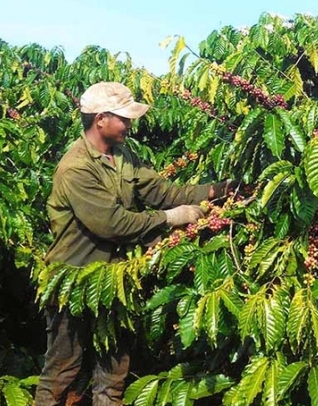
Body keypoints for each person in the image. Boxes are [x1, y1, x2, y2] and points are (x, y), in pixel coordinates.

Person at [35, 82, 238, 406]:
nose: (130, 125)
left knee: (113, 370)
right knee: (62, 368)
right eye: (123, 118)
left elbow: (164, 193)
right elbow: (112, 224)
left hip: (116, 277)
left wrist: (221, 190)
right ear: (101, 119)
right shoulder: (75, 168)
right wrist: (170, 218)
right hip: (72, 279)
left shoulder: (124, 156)